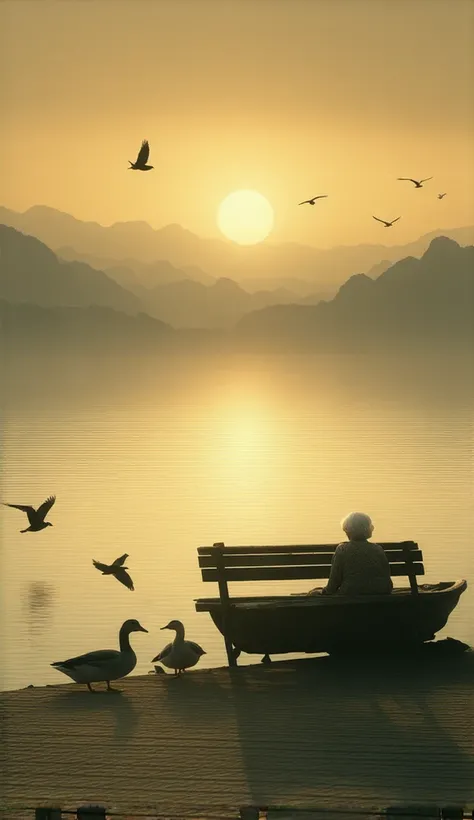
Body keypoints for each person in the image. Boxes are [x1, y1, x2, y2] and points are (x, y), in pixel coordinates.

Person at [309, 512, 393, 596]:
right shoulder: (378, 549)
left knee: (313, 594)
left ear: (347, 531)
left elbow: (334, 583)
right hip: (380, 594)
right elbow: (386, 576)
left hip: (350, 595)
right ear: (369, 530)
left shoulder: (342, 549)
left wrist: (321, 592)